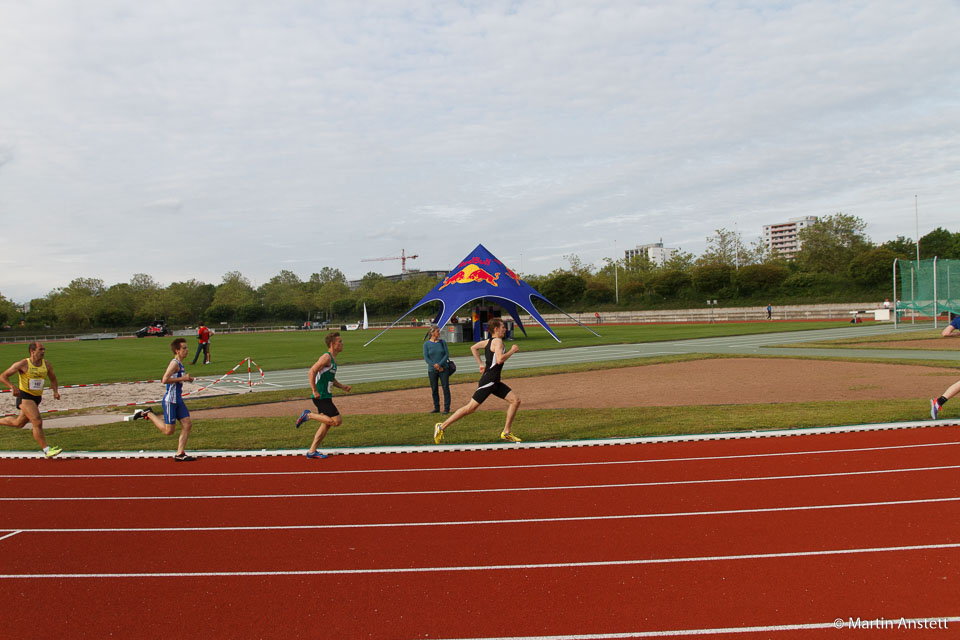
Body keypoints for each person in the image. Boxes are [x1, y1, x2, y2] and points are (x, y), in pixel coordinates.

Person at [434, 317, 521, 444]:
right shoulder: (497, 342)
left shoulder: (489, 341)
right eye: (503, 327)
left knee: (515, 400)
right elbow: (500, 359)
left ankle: (506, 432)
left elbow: (473, 347)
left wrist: (480, 364)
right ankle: (441, 426)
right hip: (489, 381)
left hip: (494, 381)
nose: (505, 329)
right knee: (470, 408)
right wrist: (512, 350)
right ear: (496, 329)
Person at [131, 337, 197, 461]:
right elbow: (164, 379)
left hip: (178, 400)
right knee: (168, 431)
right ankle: (148, 414)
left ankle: (180, 453)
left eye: (186, 348)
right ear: (177, 351)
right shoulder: (174, 363)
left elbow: (177, 379)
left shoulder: (180, 363)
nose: (187, 350)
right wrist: (183, 378)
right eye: (184, 348)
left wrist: (187, 378)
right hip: (170, 401)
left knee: (187, 424)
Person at [295, 332, 351, 459]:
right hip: (321, 397)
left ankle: (312, 451)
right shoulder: (326, 357)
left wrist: (342, 387)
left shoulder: (333, 359)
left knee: (326, 424)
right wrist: (314, 390)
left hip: (326, 396)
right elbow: (311, 371)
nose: (342, 344)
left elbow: (331, 378)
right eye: (339, 342)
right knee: (336, 421)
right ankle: (308, 415)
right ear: (332, 344)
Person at [0, 342, 62, 458]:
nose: (43, 352)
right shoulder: (23, 364)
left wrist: (55, 391)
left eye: (44, 349)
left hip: (36, 397)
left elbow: (53, 378)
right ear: (32, 351)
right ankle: (47, 450)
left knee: (18, 423)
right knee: (37, 421)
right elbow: (3, 376)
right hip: (24, 396)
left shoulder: (46, 364)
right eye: (40, 350)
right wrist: (12, 387)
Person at [423, 324, 451, 414]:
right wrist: (435, 365)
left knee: (445, 388)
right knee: (434, 389)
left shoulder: (442, 342)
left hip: (444, 369)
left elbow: (446, 354)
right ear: (432, 333)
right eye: (437, 331)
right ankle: (436, 407)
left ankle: (446, 408)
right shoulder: (426, 344)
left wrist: (440, 365)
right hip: (432, 370)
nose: (439, 333)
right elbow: (426, 358)